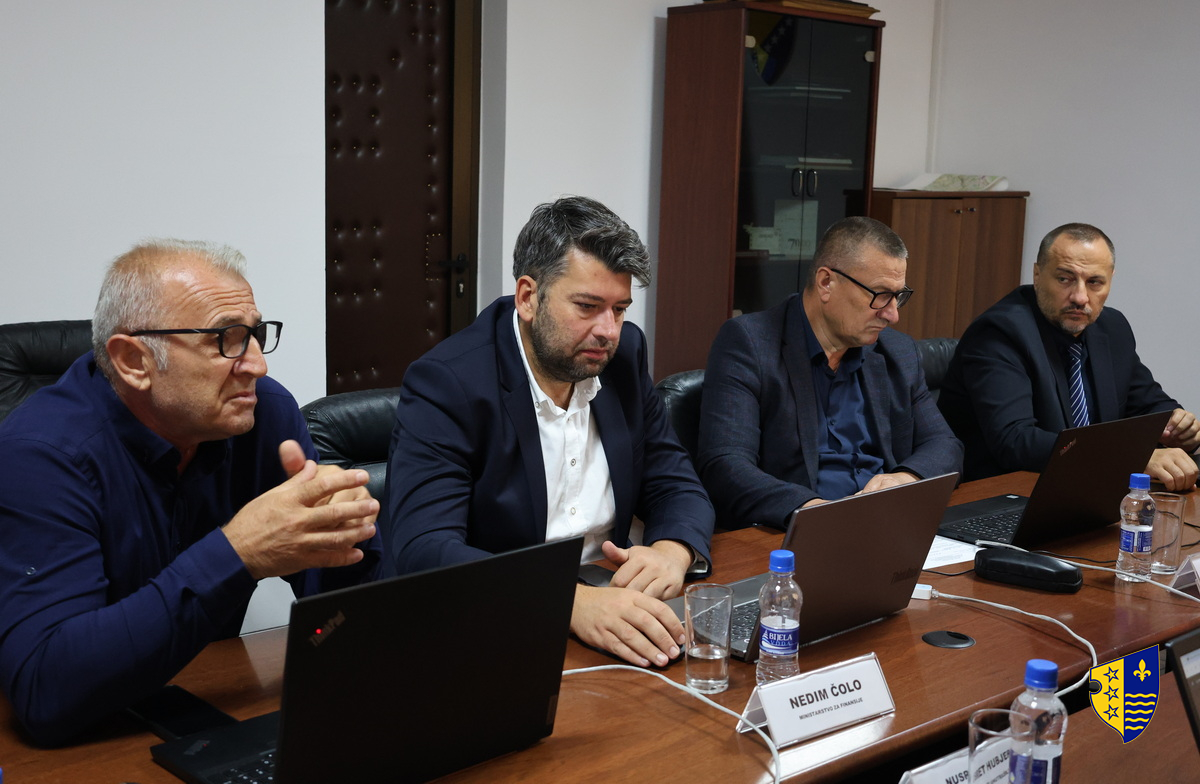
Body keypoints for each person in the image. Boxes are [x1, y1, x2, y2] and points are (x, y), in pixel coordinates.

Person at [0, 240, 382, 745]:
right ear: (133, 361)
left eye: (255, 335)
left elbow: (345, 626)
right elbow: (45, 691)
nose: (257, 366)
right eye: (226, 339)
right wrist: (239, 552)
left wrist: (346, 546)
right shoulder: (39, 454)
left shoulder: (263, 414)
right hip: (85, 742)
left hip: (212, 706)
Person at [386, 196, 715, 670]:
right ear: (528, 297)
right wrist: (566, 601)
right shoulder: (448, 383)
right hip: (493, 630)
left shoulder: (623, 357)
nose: (608, 330)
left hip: (613, 605)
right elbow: (425, 549)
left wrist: (672, 551)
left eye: (620, 309)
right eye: (588, 306)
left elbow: (676, 482)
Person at [696, 216, 964, 529]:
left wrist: (905, 478)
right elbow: (725, 465)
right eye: (880, 295)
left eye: (898, 296)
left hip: (887, 523)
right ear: (826, 282)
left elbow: (945, 445)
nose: (893, 315)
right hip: (795, 531)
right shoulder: (751, 343)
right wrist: (813, 511)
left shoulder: (897, 351)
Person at [939, 222, 1199, 489]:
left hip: (1089, 487)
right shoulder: (999, 333)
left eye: (1094, 282)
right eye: (1065, 279)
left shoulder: (1112, 328)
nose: (1080, 297)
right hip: (1005, 493)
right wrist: (1131, 458)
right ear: (1037, 275)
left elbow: (1148, 404)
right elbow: (1015, 441)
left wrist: (1177, 425)